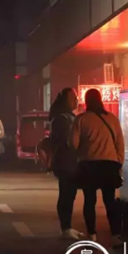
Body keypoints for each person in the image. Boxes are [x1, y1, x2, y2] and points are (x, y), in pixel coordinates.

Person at [71, 89, 125, 246]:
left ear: (87, 101)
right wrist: (118, 162)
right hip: (109, 164)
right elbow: (120, 143)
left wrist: (81, 154)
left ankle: (92, 235)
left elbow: (73, 144)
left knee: (89, 201)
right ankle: (115, 235)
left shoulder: (81, 119)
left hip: (89, 164)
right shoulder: (112, 119)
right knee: (110, 201)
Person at [49, 87, 85, 241]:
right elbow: (68, 140)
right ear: (65, 101)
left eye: (76, 98)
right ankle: (65, 228)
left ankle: (68, 227)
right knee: (66, 194)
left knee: (69, 194)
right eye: (72, 98)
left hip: (71, 162)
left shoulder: (69, 116)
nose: (76, 101)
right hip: (65, 162)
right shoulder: (61, 119)